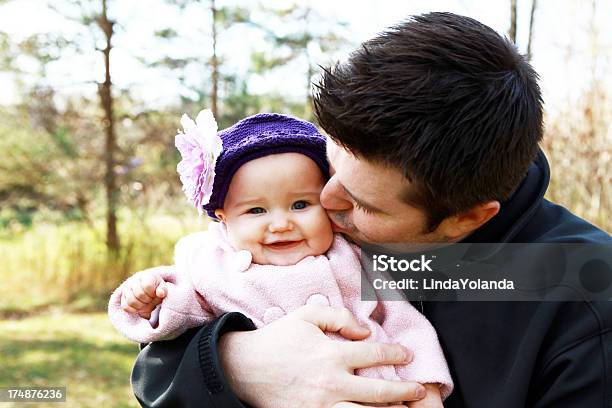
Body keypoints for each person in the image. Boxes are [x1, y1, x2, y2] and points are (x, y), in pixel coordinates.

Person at [130, 12, 612, 408]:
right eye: (328, 168)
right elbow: (157, 373)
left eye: (361, 203)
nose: (324, 202)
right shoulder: (325, 238)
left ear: (466, 218)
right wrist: (235, 364)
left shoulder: (585, 301)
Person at [109, 111, 453, 407]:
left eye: (301, 205)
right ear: (223, 217)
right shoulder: (213, 265)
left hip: (380, 390)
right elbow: (182, 308)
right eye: (256, 210)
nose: (281, 223)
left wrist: (427, 385)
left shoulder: (349, 254)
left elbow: (403, 321)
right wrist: (149, 299)